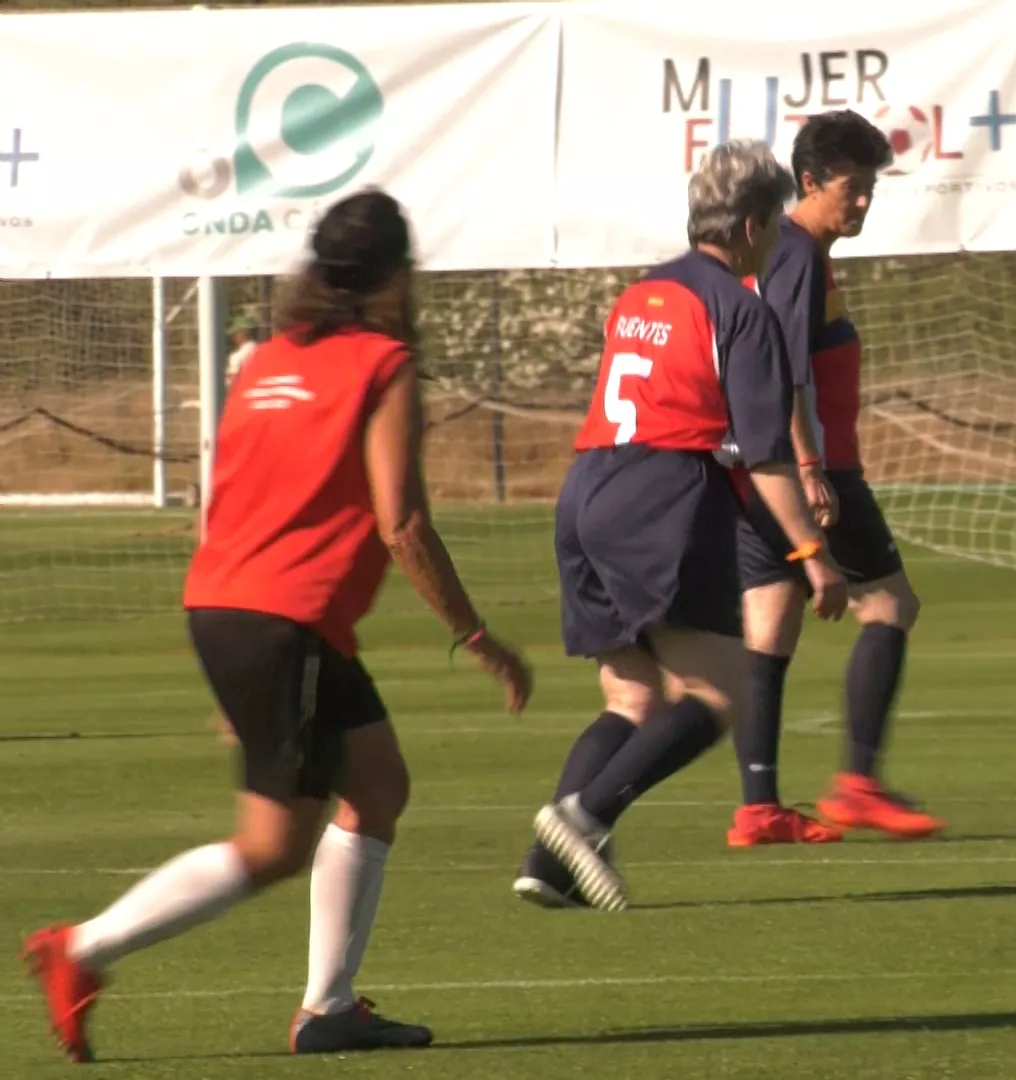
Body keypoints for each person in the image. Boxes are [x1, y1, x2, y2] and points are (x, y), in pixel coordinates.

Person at [20, 189, 534, 1063]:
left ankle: (328, 1008)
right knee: (271, 846)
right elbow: (401, 521)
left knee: (376, 784)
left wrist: (241, 668)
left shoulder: (267, 359)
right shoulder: (383, 364)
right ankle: (81, 950)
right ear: (396, 276)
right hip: (283, 620)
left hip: (236, 606)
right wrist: (477, 634)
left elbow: (221, 503)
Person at [512, 139, 849, 912]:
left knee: (630, 698)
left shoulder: (641, 294)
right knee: (722, 687)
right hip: (660, 493)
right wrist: (810, 553)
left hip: (585, 488)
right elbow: (766, 457)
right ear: (757, 222)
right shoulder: (740, 308)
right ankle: (586, 815)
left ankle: (549, 862)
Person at [723, 110, 943, 846]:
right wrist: (812, 467)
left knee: (770, 622)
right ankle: (858, 783)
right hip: (812, 470)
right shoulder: (796, 253)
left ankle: (759, 805)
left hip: (758, 469)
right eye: (851, 188)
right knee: (890, 606)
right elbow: (783, 367)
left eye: (871, 188)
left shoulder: (786, 253)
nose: (862, 203)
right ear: (809, 182)